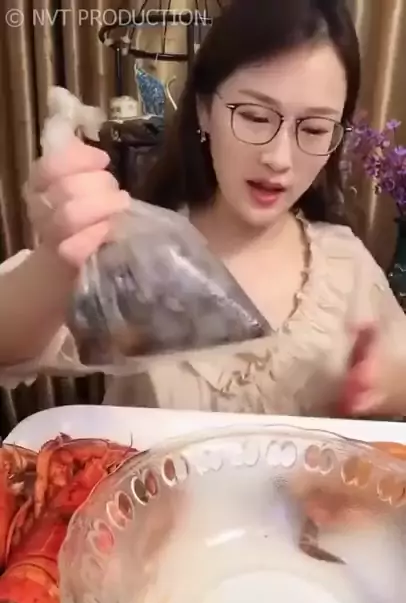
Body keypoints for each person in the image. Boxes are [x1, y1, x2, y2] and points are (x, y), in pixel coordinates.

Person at [1, 0, 406, 417]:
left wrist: (392, 389)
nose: (278, 158)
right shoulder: (137, 253)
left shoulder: (346, 267)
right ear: (204, 110)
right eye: (254, 117)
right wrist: (57, 260)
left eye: (316, 129)